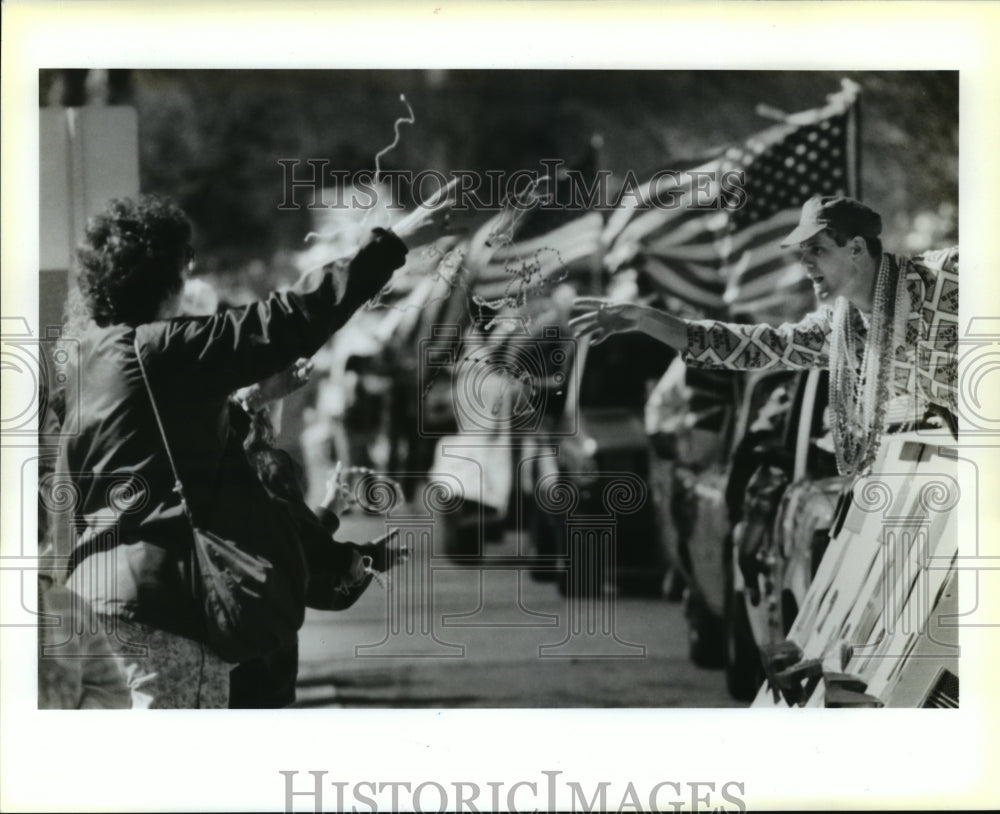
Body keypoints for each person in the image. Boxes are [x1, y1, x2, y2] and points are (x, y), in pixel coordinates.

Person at [58, 191, 457, 708]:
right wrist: (393, 244)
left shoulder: (91, 358)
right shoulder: (161, 349)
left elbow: (157, 453)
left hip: (95, 602)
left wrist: (250, 403)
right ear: (168, 274)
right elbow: (286, 318)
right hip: (163, 605)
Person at [571, 196, 959, 476]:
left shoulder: (952, 274)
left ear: (856, 248)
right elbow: (754, 347)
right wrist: (647, 320)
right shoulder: (840, 329)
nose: (805, 264)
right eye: (801, 253)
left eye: (817, 251)